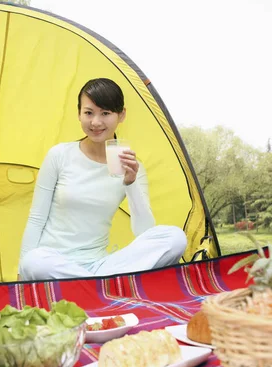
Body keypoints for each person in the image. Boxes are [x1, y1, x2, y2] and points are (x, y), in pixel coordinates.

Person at [18, 78, 187, 281]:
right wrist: (22, 274)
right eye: (88, 113)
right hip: (54, 263)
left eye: (105, 113)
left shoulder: (131, 166)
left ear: (121, 115)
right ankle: (102, 287)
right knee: (33, 261)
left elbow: (144, 231)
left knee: (175, 238)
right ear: (79, 113)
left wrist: (130, 183)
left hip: (100, 266)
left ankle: (91, 285)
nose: (96, 122)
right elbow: (36, 218)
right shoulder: (59, 155)